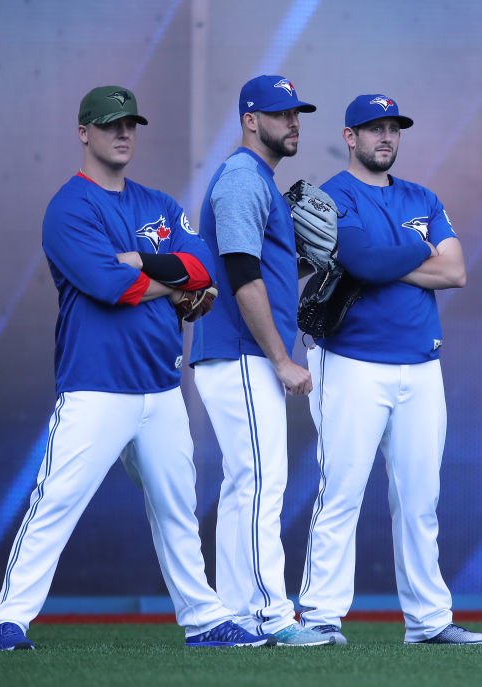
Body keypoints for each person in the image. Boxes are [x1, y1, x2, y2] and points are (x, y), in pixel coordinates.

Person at [0, 86, 274, 650]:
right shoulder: (70, 206)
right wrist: (173, 283)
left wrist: (145, 265)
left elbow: (205, 265)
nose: (123, 134)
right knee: (56, 502)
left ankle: (205, 618)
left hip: (162, 385)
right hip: (96, 385)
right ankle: (10, 616)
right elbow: (107, 285)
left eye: (131, 124)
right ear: (84, 132)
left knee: (178, 509)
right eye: (111, 124)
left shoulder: (159, 204)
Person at [297, 94, 482, 646]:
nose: (385, 136)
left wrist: (391, 255)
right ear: (350, 136)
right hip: (352, 362)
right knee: (341, 494)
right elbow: (365, 262)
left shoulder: (421, 195)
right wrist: (414, 245)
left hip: (422, 365)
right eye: (373, 128)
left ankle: (428, 622)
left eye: (393, 128)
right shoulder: (333, 195)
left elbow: (455, 271)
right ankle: (320, 617)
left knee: (420, 500)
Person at [189, 75, 330, 646]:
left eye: (297, 113)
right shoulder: (244, 179)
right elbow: (242, 275)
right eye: (280, 114)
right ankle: (273, 615)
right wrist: (280, 358)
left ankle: (237, 617)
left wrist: (298, 264)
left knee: (245, 485)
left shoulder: (257, 182)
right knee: (260, 483)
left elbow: (256, 272)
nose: (293, 122)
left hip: (235, 353)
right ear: (251, 120)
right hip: (245, 353)